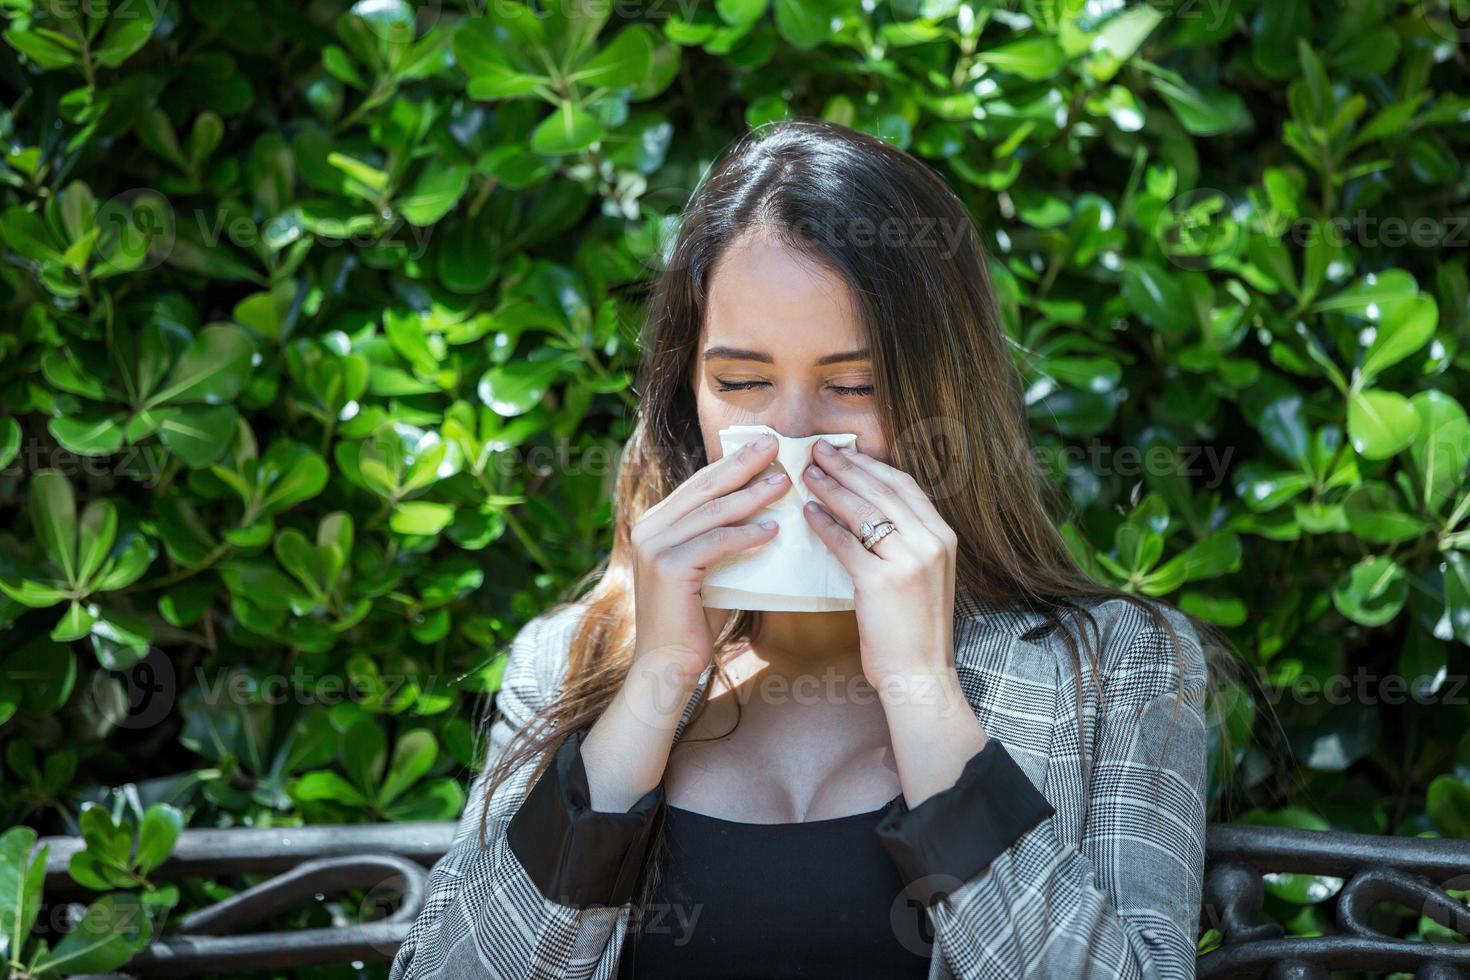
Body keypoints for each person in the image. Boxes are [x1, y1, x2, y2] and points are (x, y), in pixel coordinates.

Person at [389, 117, 1211, 979]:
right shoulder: (568, 660)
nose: (792, 436)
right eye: (741, 383)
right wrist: (655, 683)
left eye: (853, 386)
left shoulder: (1116, 665)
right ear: (686, 397)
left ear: (946, 401)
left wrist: (923, 693)